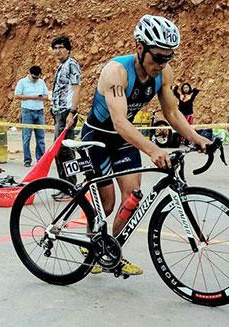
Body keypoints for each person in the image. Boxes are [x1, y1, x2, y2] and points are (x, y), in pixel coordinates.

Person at [81, 15, 212, 275]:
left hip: (124, 139)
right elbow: (119, 122)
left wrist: (197, 138)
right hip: (97, 138)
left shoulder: (163, 74)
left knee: (132, 198)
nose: (162, 64)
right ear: (140, 48)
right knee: (105, 205)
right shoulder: (116, 71)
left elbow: (173, 113)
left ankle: (112, 251)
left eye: (168, 58)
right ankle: (90, 244)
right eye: (158, 57)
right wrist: (151, 149)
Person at [51, 35, 82, 195]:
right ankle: (64, 186)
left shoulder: (72, 65)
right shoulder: (61, 66)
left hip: (66, 114)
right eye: (55, 48)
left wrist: (72, 112)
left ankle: (71, 186)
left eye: (61, 47)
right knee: (59, 151)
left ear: (68, 49)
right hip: (58, 113)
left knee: (65, 151)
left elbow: (76, 90)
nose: (57, 51)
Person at [14, 66, 49, 167]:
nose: (35, 79)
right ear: (29, 73)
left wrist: (41, 98)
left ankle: (41, 159)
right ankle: (27, 159)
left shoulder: (41, 82)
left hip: (39, 111)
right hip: (27, 111)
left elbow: (47, 96)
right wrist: (32, 97)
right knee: (26, 137)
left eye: (37, 77)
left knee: (41, 137)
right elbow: (17, 95)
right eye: (34, 77)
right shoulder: (22, 82)